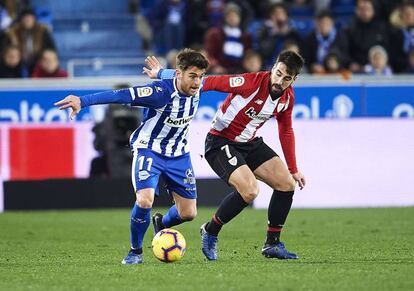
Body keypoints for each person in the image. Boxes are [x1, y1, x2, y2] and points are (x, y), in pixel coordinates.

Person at [54, 49, 209, 265]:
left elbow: (183, 75)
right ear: (179, 74)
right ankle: (135, 251)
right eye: (193, 76)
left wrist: (161, 71)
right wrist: (83, 100)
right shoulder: (159, 92)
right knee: (145, 200)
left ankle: (161, 224)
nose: (198, 82)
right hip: (149, 150)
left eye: (201, 77)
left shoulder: (196, 86)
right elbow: (121, 95)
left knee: (188, 213)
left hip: (178, 155)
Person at [147, 50, 306, 260]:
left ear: (293, 79)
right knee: (249, 191)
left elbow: (285, 130)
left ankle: (272, 244)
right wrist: (161, 74)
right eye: (278, 73)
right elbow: (209, 82)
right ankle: (210, 230)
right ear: (273, 68)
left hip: (249, 142)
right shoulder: (250, 82)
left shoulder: (287, 98)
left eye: (286, 78)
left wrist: (293, 169)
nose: (279, 81)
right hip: (220, 141)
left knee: (287, 183)